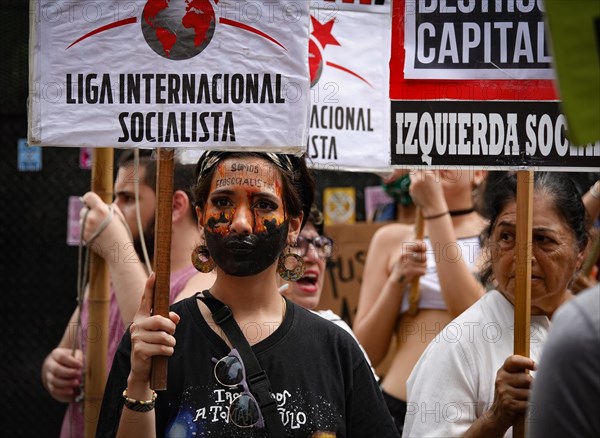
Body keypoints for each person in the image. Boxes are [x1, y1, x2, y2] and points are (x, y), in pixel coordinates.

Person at [96, 151, 399, 437]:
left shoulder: (335, 349)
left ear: (293, 224)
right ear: (201, 218)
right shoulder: (157, 343)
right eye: (223, 201)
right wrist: (138, 382)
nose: (240, 223)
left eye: (264, 204)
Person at [42, 150, 215, 438]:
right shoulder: (108, 277)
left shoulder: (204, 282)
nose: (115, 210)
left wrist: (115, 245)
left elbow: (161, 359)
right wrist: (54, 370)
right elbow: (63, 351)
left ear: (175, 205)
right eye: (115, 199)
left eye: (128, 198)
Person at [403, 172, 591, 437]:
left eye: (543, 240)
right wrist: (496, 418)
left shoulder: (587, 333)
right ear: (489, 244)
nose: (523, 257)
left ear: (581, 250)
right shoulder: (459, 346)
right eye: (506, 237)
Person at [354, 168, 487, 433]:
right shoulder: (391, 238)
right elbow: (365, 353)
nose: (437, 161)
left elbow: (471, 315)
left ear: (479, 173)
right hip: (398, 406)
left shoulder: (496, 236)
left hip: (472, 414)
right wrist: (396, 282)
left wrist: (435, 211)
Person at [279, 203, 378, 380]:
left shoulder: (336, 332)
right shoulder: (246, 330)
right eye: (297, 243)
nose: (313, 257)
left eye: (320, 244)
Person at [528, 284, 600, 437]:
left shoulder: (584, 324)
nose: (530, 260)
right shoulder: (470, 329)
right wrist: (496, 418)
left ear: (580, 258)